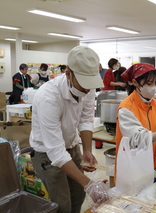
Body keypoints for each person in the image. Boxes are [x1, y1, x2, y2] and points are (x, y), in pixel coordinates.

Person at [30, 46, 108, 213]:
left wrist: (86, 150)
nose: (87, 90)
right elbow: (56, 152)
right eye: (84, 84)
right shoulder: (48, 97)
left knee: (78, 197)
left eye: (90, 84)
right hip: (47, 154)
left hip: (72, 147)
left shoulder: (88, 86)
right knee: (61, 204)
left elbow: (86, 119)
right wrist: (90, 184)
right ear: (68, 74)